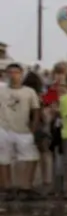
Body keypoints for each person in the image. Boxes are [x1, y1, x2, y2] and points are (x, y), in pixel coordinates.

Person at [0, 62, 41, 198]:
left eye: (16, 73)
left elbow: (36, 110)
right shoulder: (1, 90)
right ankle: (6, 188)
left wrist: (33, 128)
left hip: (23, 129)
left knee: (31, 157)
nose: (13, 76)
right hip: (4, 128)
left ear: (21, 74)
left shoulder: (29, 92)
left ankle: (26, 187)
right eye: (10, 73)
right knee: (3, 159)